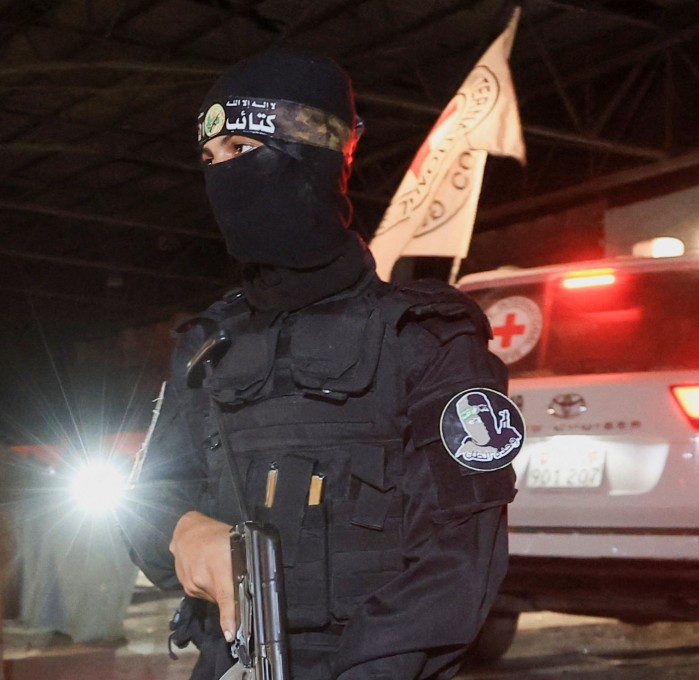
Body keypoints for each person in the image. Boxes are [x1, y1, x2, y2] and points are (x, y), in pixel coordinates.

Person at [117, 47, 522, 680]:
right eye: (210, 158)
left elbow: (457, 562)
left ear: (316, 152)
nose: (223, 174)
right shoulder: (207, 345)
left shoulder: (424, 337)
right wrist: (185, 528)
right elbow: (148, 502)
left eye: (242, 148)